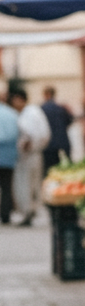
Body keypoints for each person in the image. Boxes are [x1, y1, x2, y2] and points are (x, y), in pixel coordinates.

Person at [8, 89, 50, 226]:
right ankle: (29, 211)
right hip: (33, 154)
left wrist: (28, 145)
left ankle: (28, 212)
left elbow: (32, 134)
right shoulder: (32, 111)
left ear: (19, 99)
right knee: (30, 184)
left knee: (26, 185)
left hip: (30, 155)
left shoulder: (29, 113)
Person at [40, 86, 74, 173]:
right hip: (62, 142)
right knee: (65, 170)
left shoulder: (41, 109)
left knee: (50, 171)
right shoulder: (61, 108)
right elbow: (70, 120)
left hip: (48, 145)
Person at [0, 93, 18, 225]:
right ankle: (5, 215)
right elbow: (15, 134)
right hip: (8, 157)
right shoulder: (12, 114)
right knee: (6, 187)